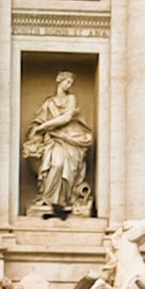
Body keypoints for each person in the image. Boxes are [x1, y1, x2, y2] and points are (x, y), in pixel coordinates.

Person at [22, 71, 93, 212]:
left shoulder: (71, 98)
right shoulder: (48, 103)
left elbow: (66, 118)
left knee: (65, 167)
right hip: (53, 140)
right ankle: (48, 199)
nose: (69, 85)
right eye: (67, 82)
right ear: (59, 81)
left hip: (70, 140)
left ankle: (62, 200)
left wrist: (44, 126)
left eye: (71, 83)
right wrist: (36, 131)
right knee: (56, 164)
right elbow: (37, 121)